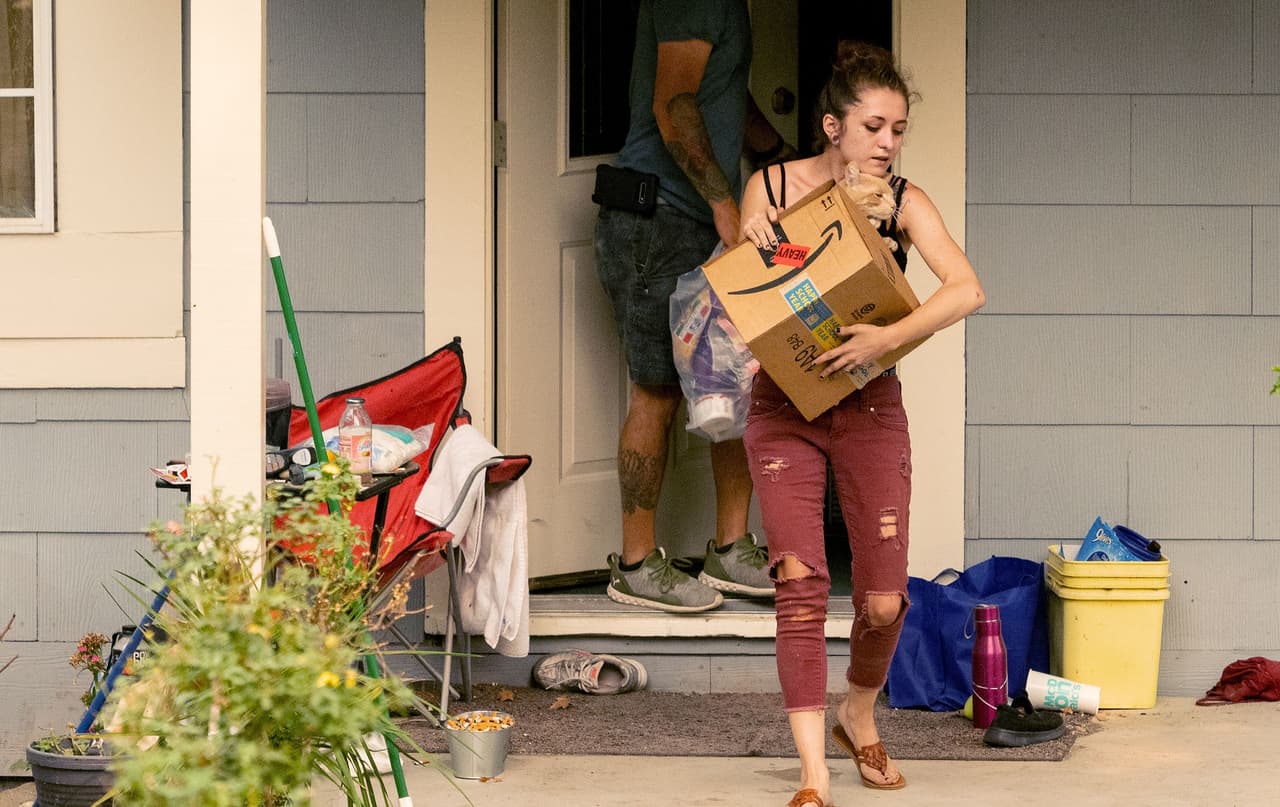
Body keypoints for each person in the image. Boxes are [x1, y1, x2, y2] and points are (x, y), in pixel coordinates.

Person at [737, 42, 985, 806]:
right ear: (831, 126)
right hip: (786, 406)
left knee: (882, 601)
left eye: (898, 128)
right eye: (873, 126)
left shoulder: (907, 200)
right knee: (800, 581)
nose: (887, 142)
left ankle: (857, 709)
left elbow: (967, 287)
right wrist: (766, 231)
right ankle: (814, 773)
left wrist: (889, 338)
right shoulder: (772, 184)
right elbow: (758, 263)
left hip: (870, 404)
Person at [595, 0, 792, 613]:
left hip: (693, 218)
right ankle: (634, 565)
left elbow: (719, 91)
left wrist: (775, 148)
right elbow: (673, 104)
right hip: (657, 222)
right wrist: (725, 204)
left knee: (734, 378)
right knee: (655, 390)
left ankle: (731, 549)